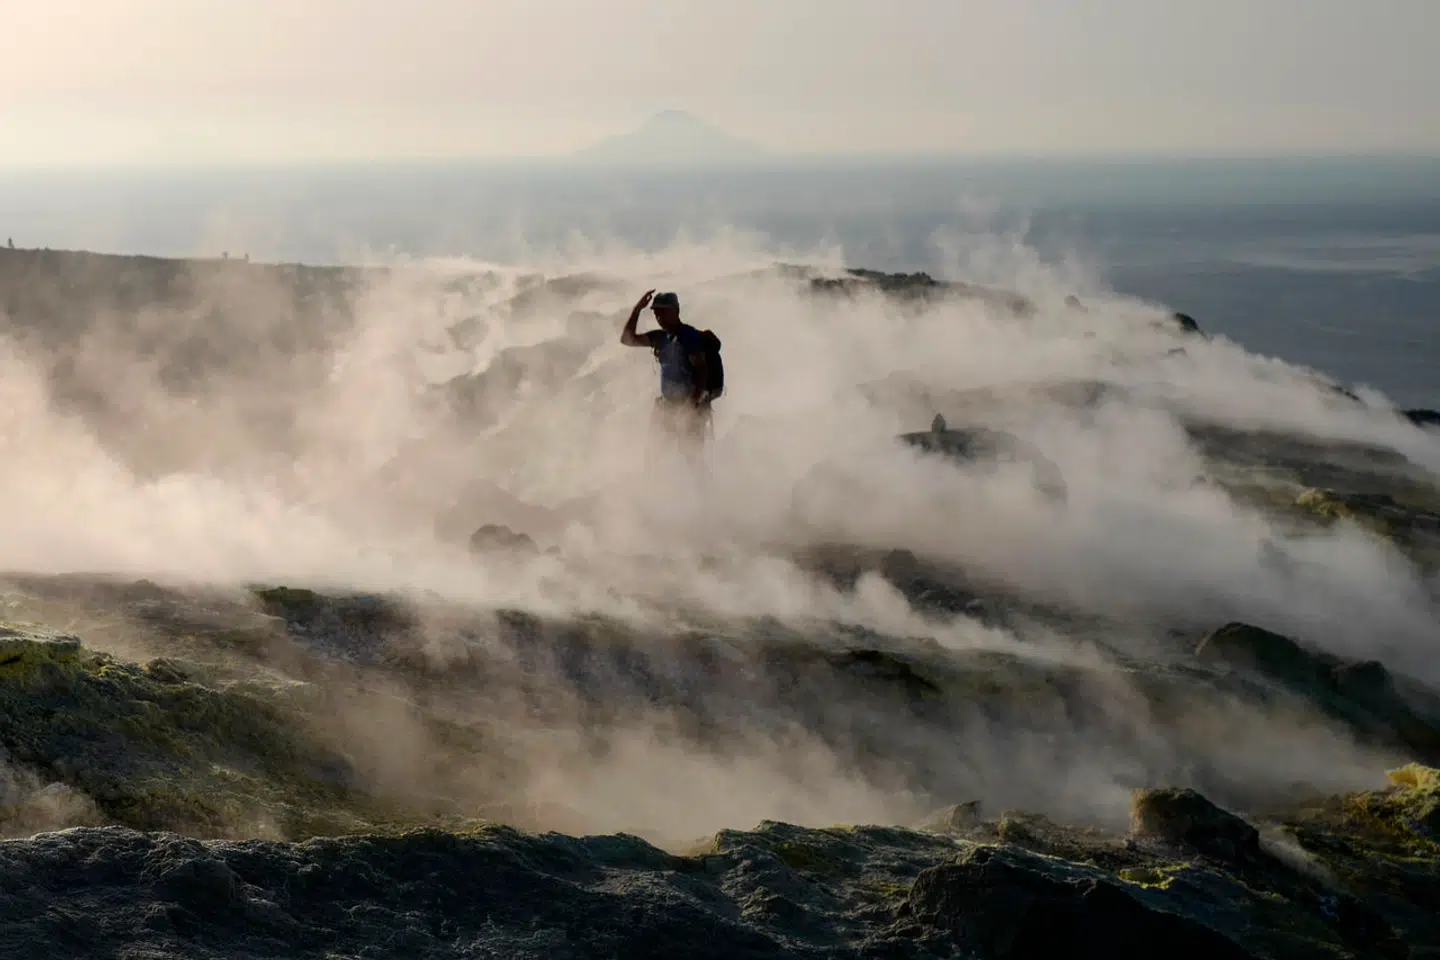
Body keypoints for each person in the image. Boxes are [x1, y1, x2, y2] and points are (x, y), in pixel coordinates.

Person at [620, 289, 712, 463]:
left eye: (664, 311)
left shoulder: (689, 336)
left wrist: (690, 407)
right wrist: (637, 309)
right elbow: (627, 339)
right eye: (656, 312)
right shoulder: (660, 338)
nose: (659, 316)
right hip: (666, 407)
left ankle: (705, 490)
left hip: (689, 407)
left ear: (676, 311)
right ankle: (653, 489)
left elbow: (701, 371)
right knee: (652, 458)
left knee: (693, 460)